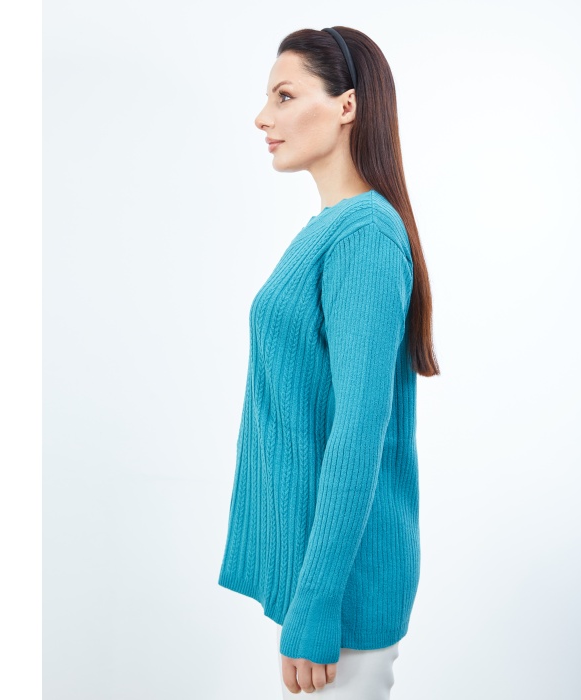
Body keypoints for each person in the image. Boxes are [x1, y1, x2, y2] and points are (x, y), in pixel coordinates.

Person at [217, 25, 440, 697]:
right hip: (320, 584)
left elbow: (358, 436)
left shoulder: (365, 236)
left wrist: (316, 608)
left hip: (342, 599)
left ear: (347, 105)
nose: (263, 117)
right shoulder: (334, 228)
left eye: (284, 96)